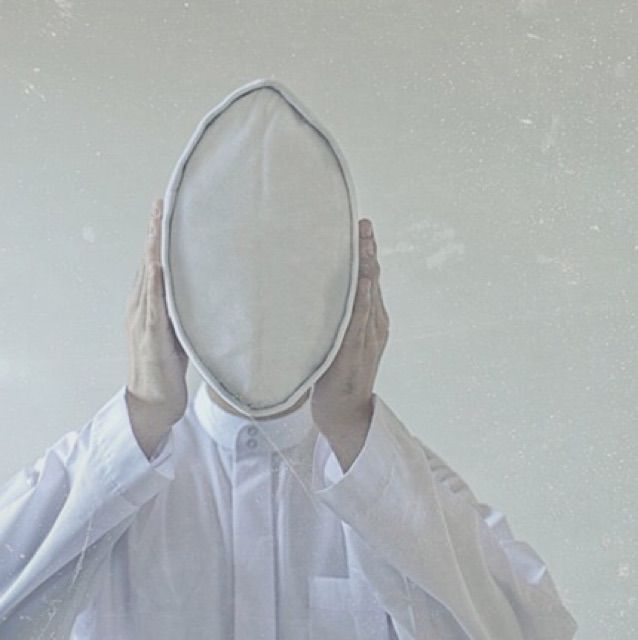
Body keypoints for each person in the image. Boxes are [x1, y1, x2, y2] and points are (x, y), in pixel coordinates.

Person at [0, 199, 578, 639]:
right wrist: (142, 413)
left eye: (289, 278)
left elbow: (534, 629)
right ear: (171, 297)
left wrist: (354, 426)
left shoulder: (392, 475)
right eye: (228, 276)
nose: (256, 310)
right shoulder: (114, 478)